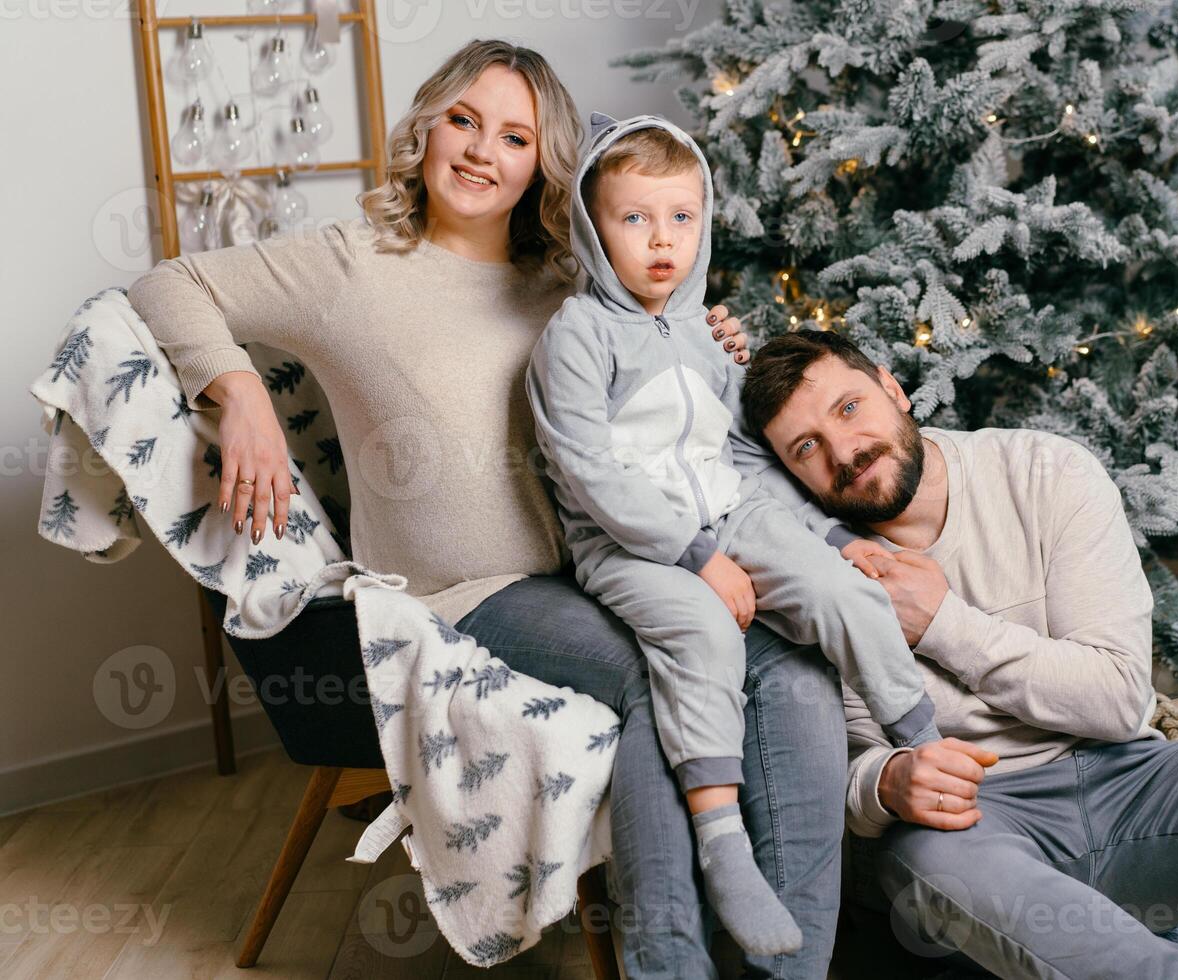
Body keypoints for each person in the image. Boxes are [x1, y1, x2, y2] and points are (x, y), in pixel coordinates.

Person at [127, 40, 848, 980]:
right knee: (652, 674)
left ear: (542, 162)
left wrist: (696, 335)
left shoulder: (571, 279)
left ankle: (791, 969)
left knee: (795, 674)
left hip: (612, 563)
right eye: (464, 120)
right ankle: (669, 964)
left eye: (515, 136)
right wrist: (243, 395)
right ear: (427, 125)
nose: (480, 152)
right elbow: (168, 283)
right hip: (473, 591)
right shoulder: (353, 265)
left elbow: (650, 394)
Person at [741, 328, 1178, 979]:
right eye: (806, 448)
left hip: (1131, 787)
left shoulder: (1046, 472)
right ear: (788, 474)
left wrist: (942, 623)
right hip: (982, 837)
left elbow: (1116, 698)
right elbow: (823, 770)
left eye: (849, 408)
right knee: (930, 863)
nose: (843, 450)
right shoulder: (805, 574)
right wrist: (886, 782)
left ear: (892, 387)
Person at [524, 114, 939, 957]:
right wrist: (697, 557)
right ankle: (723, 843)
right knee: (702, 631)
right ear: (592, 229)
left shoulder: (707, 337)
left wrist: (823, 536)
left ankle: (923, 738)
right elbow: (589, 474)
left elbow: (746, 453)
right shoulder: (574, 339)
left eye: (681, 218)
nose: (660, 241)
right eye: (634, 219)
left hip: (728, 510)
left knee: (840, 589)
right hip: (630, 544)